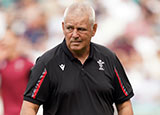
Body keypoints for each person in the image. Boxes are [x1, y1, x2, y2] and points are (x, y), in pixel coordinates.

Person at [20, 2, 134, 115]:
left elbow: (124, 105)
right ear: (63, 27)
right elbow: (29, 107)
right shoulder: (47, 63)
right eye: (70, 28)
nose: (74, 35)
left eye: (81, 29)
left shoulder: (109, 58)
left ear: (93, 29)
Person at [0, 29, 33, 115]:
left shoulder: (27, 64)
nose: (4, 41)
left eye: (7, 38)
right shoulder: (2, 64)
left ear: (16, 40)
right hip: (7, 112)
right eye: (3, 39)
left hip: (24, 112)